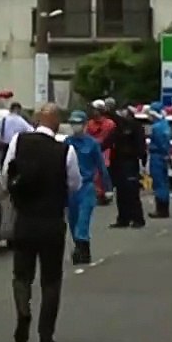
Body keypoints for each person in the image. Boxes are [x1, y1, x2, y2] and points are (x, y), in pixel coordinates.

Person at [2, 103, 82, 342]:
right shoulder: (65, 150)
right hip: (52, 221)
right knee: (51, 279)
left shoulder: (18, 141)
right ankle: (46, 333)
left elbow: (6, 173)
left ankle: (23, 310)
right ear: (56, 122)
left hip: (25, 218)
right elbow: (75, 184)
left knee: (21, 275)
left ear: (37, 119)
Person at [64, 110, 110, 264]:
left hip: (86, 186)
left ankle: (81, 250)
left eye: (78, 123)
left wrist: (107, 188)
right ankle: (82, 248)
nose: (75, 126)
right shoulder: (67, 143)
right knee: (73, 220)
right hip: (71, 188)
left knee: (83, 221)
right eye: (73, 123)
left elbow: (101, 166)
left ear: (84, 125)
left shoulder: (92, 144)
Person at [107, 102, 147, 228]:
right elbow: (109, 141)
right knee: (121, 191)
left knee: (132, 191)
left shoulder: (135, 126)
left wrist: (142, 160)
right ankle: (123, 218)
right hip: (118, 162)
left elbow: (141, 145)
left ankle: (138, 219)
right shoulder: (118, 126)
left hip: (130, 162)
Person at [147, 101, 172, 219]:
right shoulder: (165, 124)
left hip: (157, 156)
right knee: (164, 182)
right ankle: (164, 208)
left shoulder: (156, 127)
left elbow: (161, 143)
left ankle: (161, 209)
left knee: (158, 182)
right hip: (163, 156)